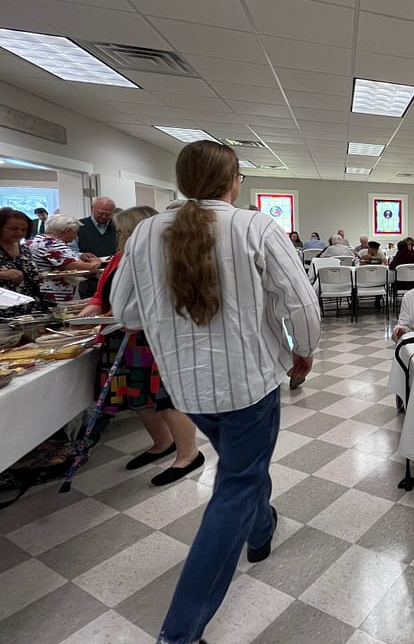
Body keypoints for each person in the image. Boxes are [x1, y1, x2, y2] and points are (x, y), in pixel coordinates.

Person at [111, 141, 320, 644]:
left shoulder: (146, 233)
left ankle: (262, 528)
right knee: (236, 486)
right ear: (234, 181)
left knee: (241, 468)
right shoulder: (255, 226)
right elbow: (300, 303)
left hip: (187, 387)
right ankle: (180, 632)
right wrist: (304, 350)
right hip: (249, 383)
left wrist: (174, 322)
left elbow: (126, 312)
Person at [78, 206, 203, 486]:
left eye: (124, 231)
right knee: (137, 395)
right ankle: (162, 443)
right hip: (121, 336)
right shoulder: (120, 257)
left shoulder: (167, 259)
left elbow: (177, 302)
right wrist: (94, 307)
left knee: (167, 398)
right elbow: (103, 292)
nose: (120, 236)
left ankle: (189, 454)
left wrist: (134, 317)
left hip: (157, 338)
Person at [26, 213, 102, 302]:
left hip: (35, 291)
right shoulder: (52, 244)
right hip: (51, 294)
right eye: (76, 232)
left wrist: (80, 256)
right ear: (67, 231)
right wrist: (96, 263)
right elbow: (78, 266)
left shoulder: (34, 241)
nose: (76, 236)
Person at [0, 207, 47, 316]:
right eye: (13, 229)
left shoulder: (24, 249)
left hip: (31, 309)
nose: (19, 233)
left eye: (23, 229)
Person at [73, 196, 117, 298]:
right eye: (100, 213)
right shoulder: (79, 226)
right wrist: (81, 255)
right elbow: (71, 251)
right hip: (89, 280)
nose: (104, 217)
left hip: (114, 278)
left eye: (108, 214)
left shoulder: (117, 226)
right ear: (92, 208)